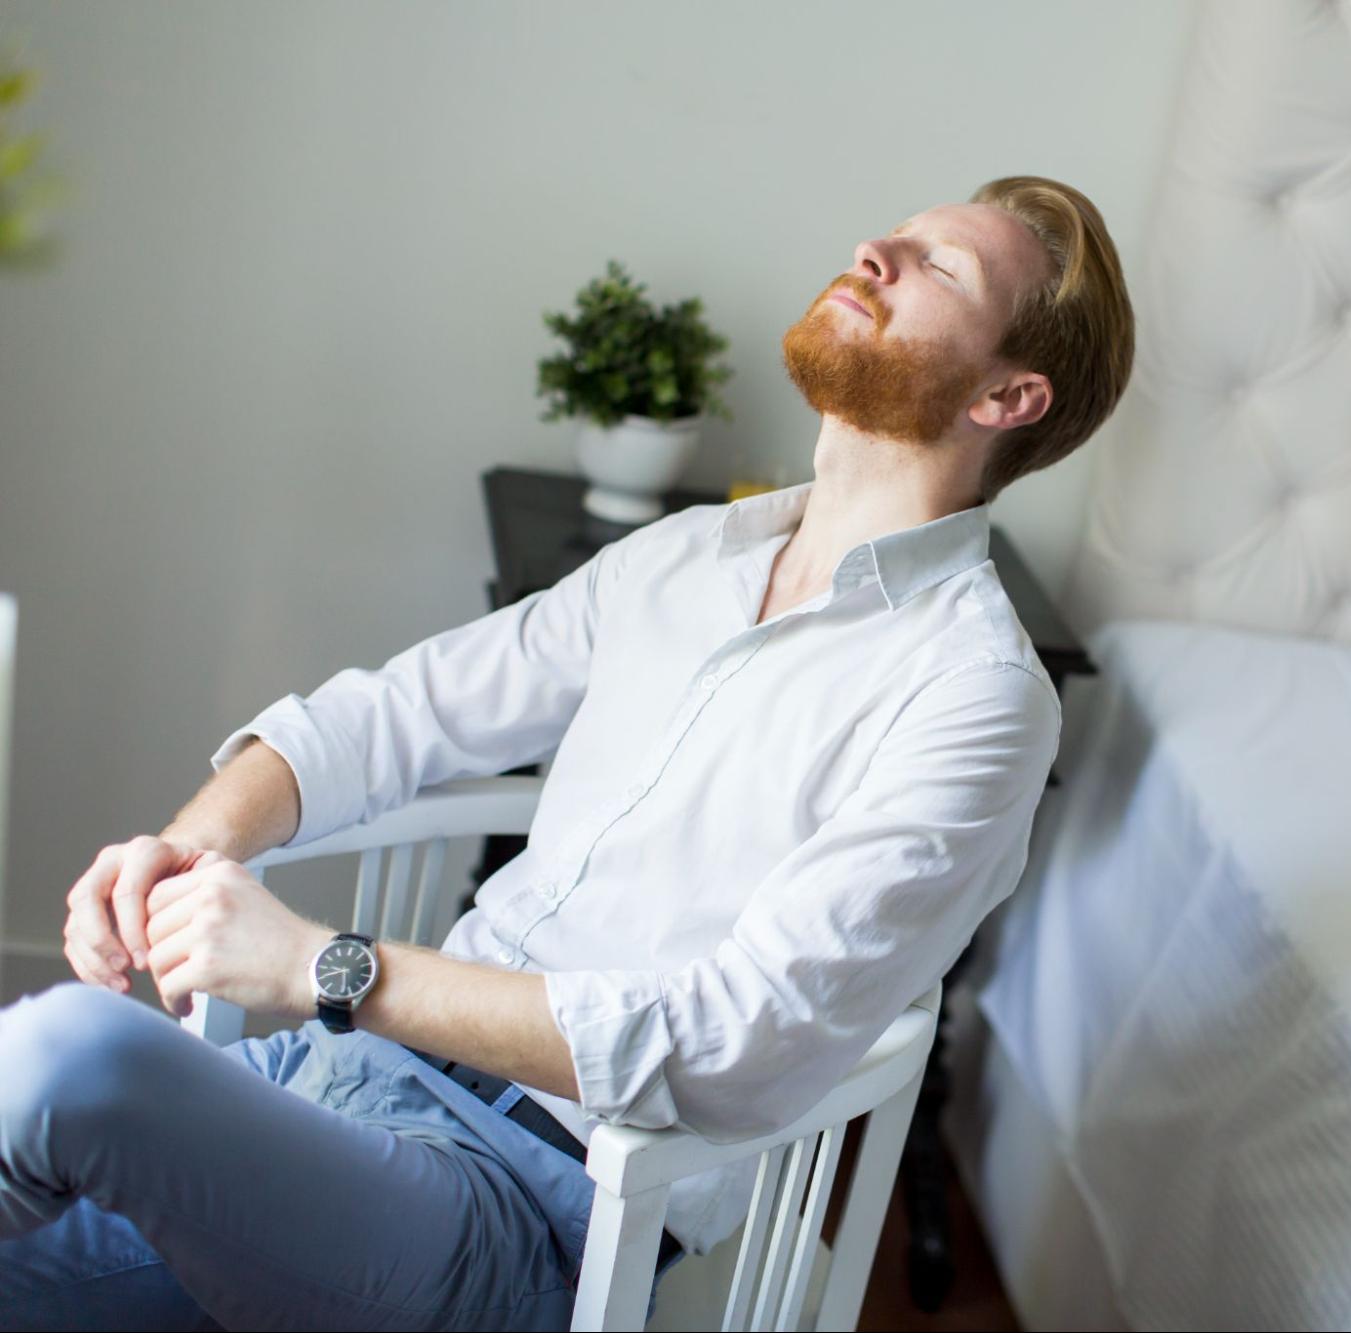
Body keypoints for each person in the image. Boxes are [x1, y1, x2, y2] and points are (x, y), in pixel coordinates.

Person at [0, 174, 1134, 1330]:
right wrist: (183, 849)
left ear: (1010, 394)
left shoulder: (976, 695)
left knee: (71, 1056)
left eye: (939, 265)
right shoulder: (689, 556)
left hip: (523, 1204)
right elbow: (397, 713)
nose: (875, 250)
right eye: (895, 233)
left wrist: (323, 968)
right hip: (334, 1094)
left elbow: (725, 1048)